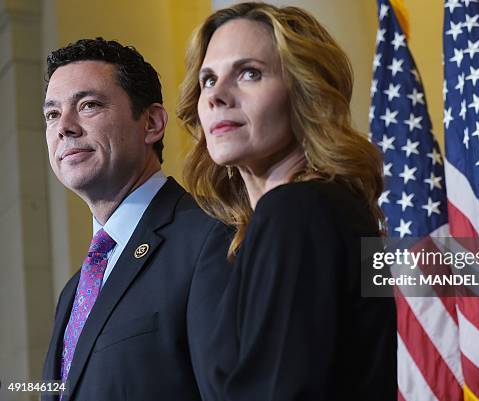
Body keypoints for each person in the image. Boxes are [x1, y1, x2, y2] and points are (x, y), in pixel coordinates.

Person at [177, 3, 397, 400]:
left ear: (304, 92)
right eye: (208, 80)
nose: (217, 97)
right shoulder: (327, 209)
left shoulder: (298, 212)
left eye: (249, 74)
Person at [41, 38, 232, 401]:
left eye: (89, 105)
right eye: (52, 114)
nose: (64, 126)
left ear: (152, 123)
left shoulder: (212, 235)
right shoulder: (74, 292)